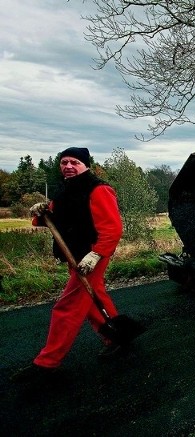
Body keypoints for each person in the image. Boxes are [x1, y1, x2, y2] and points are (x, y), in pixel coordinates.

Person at [11, 147, 124, 382]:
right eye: (64, 162)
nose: (68, 166)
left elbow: (113, 229)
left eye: (74, 162)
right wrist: (40, 213)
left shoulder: (98, 189)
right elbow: (55, 219)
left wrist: (96, 255)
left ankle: (47, 363)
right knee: (94, 299)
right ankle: (117, 336)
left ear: (86, 165)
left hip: (92, 257)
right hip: (74, 255)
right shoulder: (65, 191)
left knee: (67, 306)